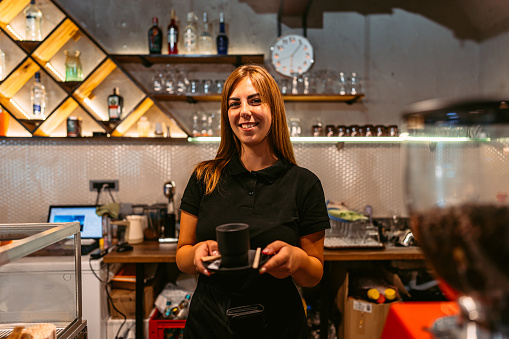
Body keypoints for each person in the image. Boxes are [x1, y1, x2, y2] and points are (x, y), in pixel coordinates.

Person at [176, 64, 330, 339]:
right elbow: (182, 254)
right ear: (227, 115)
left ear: (274, 109)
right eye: (234, 104)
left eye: (255, 100)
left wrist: (296, 260)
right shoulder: (205, 177)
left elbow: (314, 273)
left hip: (279, 323)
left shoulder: (304, 184)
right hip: (210, 322)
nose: (244, 111)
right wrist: (196, 253)